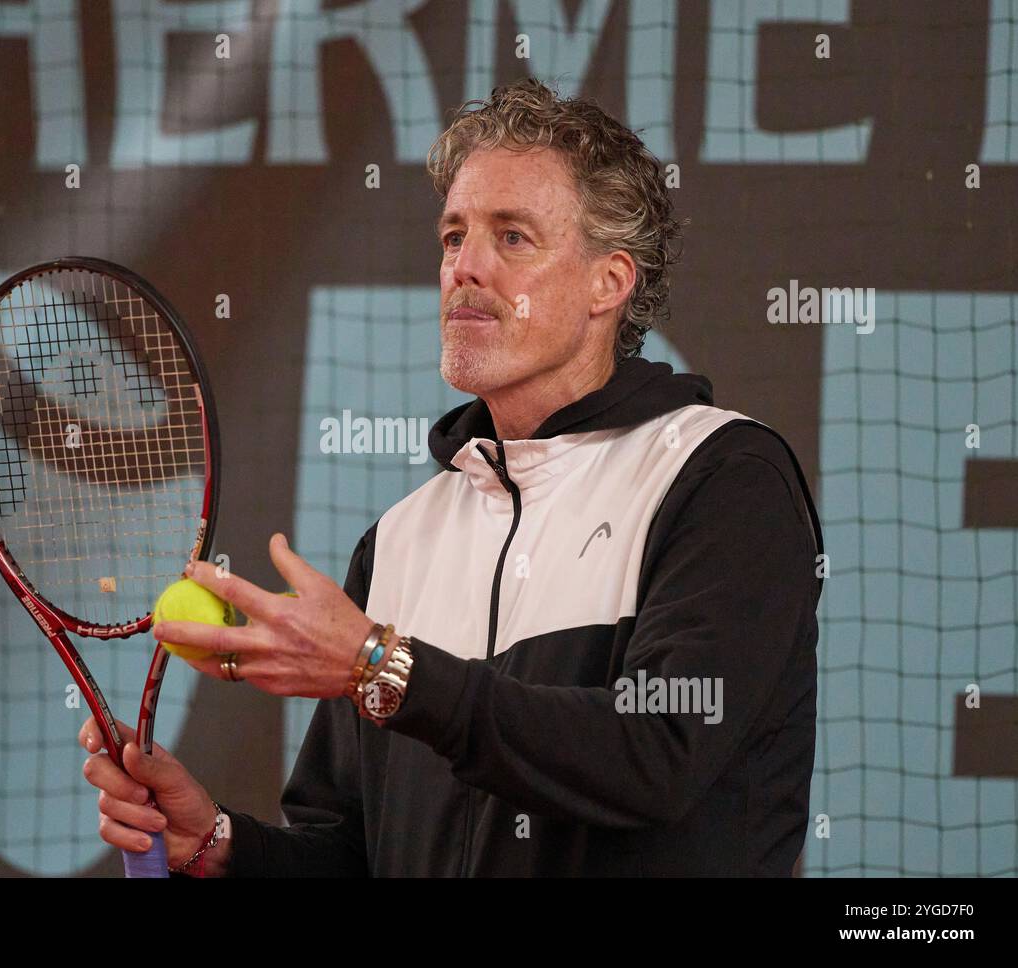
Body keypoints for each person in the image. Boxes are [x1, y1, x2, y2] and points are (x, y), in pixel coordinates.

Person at [80, 77, 823, 876]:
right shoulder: (400, 541)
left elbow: (658, 753)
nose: (464, 267)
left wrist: (381, 667)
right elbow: (351, 856)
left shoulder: (721, 474)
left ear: (611, 282)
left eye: (512, 238)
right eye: (452, 236)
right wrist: (218, 846)